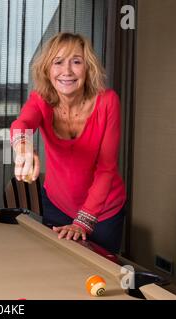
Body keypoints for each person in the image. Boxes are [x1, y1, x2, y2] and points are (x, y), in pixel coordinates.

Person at [10, 32, 127, 254]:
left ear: (87, 68)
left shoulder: (108, 101)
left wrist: (82, 222)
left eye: (76, 61)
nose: (67, 71)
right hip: (57, 205)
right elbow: (22, 122)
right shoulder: (40, 99)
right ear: (47, 69)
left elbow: (107, 168)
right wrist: (22, 146)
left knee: (100, 276)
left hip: (104, 212)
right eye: (58, 62)